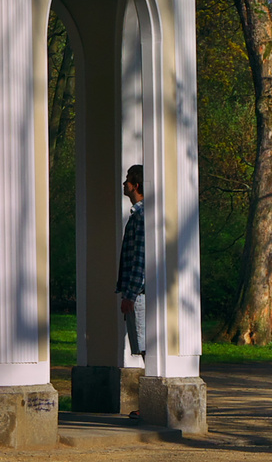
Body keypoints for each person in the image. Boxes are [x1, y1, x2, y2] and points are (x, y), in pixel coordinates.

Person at [116, 164, 145, 404]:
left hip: (139, 295)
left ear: (135, 185)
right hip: (136, 293)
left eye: (127, 180)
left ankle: (149, 404)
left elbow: (140, 258)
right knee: (143, 348)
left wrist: (131, 294)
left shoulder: (142, 216)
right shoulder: (138, 214)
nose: (124, 183)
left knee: (146, 349)